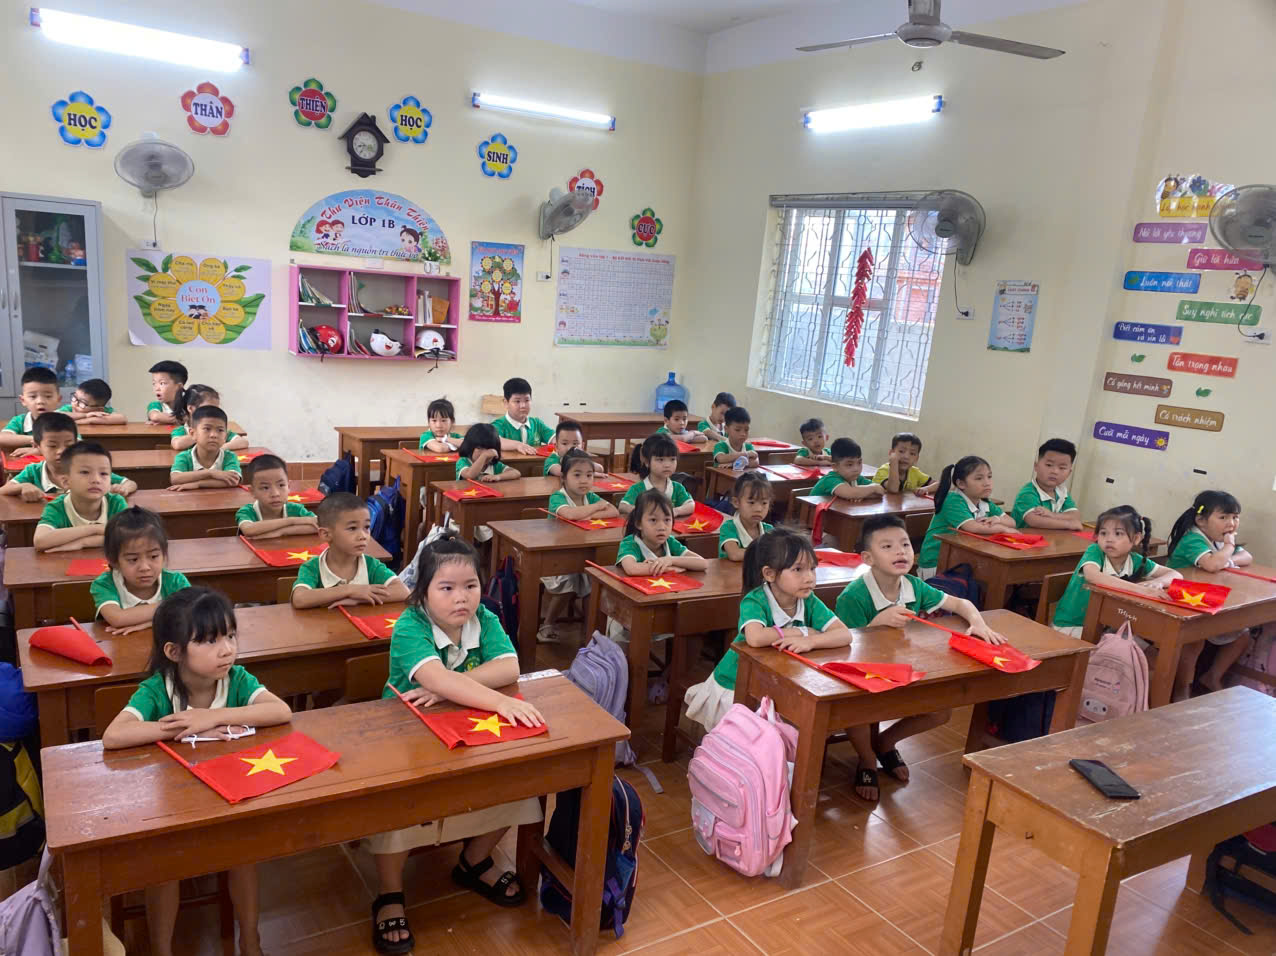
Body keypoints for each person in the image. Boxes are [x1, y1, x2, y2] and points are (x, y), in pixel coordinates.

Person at [368, 534, 543, 953]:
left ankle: (473, 861)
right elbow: (440, 678)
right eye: (446, 587)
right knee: (399, 799)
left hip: (467, 726)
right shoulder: (410, 625)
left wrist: (448, 686)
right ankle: (390, 892)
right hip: (406, 735)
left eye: (470, 586)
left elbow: (510, 666)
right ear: (422, 592)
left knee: (522, 782)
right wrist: (495, 700)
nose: (461, 598)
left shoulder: (484, 617)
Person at [101, 587, 290, 956]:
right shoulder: (159, 689)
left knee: (244, 855)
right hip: (172, 807)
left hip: (228, 796)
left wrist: (212, 717)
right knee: (164, 867)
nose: (227, 649)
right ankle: (161, 949)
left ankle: (251, 942)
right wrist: (180, 728)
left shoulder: (236, 680)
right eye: (208, 641)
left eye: (230, 636)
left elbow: (280, 711)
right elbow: (114, 735)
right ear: (174, 652)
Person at [833, 515, 1003, 800]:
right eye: (887, 546)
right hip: (864, 675)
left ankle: (885, 742)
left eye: (905, 544)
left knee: (941, 711)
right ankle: (866, 759)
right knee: (857, 710)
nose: (900, 552)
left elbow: (961, 603)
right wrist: (876, 623)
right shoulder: (854, 596)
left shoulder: (913, 585)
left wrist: (979, 624)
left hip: (904, 670)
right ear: (868, 558)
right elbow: (844, 646)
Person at [684, 527, 850, 732]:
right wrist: (802, 632)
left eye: (812, 568)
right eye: (798, 569)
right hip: (736, 686)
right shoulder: (756, 600)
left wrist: (811, 641)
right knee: (766, 737)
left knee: (801, 725)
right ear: (769, 574)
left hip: (775, 686)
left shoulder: (809, 601)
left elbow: (844, 634)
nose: (809, 578)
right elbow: (755, 637)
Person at [1166, 490, 1254, 693]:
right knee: (1194, 640)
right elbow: (1212, 565)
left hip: (1205, 599)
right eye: (1223, 517)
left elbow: (1247, 557)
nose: (1231, 523)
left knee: (1243, 635)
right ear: (1201, 520)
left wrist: (1226, 559)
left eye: (1235, 517)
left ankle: (1212, 677)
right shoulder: (1193, 539)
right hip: (1178, 600)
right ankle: (1181, 688)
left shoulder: (1219, 540)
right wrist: (1228, 548)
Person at [539, 450, 618, 640]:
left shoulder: (589, 497)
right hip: (556, 557)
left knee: (596, 579)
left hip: (584, 553)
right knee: (570, 582)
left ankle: (590, 629)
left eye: (589, 475)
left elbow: (614, 511)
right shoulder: (557, 497)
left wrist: (588, 514)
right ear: (563, 478)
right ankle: (547, 623)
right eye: (577, 475)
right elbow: (570, 514)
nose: (584, 481)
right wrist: (596, 508)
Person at [290, 492, 408, 609]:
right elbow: (300, 599)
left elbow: (403, 591)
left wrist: (358, 599)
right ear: (326, 534)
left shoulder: (371, 565)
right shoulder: (313, 567)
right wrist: (350, 590)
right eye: (352, 528)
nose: (363, 536)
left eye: (366, 527)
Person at [91, 507, 191, 634]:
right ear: (114, 561)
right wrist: (173, 605)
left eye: (153, 556)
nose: (145, 567)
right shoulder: (104, 584)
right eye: (133, 559)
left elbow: (191, 613)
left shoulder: (175, 581)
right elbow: (117, 618)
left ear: (164, 553)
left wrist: (152, 623)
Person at [916, 456, 1017, 579]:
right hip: (937, 562)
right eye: (979, 478)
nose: (987, 482)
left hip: (962, 560)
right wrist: (1003, 529)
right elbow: (973, 527)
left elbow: (1012, 522)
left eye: (989, 476)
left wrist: (997, 519)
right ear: (961, 484)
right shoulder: (953, 500)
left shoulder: (985, 502)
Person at [1, 411, 135, 500]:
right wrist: (23, 486)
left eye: (68, 444)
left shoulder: (88, 469)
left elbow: (129, 483)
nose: (61, 451)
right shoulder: (33, 471)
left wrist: (123, 489)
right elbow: (3, 490)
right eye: (52, 446)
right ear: (37, 446)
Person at [33, 441, 128, 552]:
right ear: (66, 481)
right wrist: (96, 529)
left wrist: (83, 542)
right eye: (85, 472)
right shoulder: (57, 507)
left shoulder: (115, 502)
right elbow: (40, 541)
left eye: (103, 473)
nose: (96, 480)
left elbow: (129, 536)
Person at [616, 489, 709, 577]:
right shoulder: (630, 543)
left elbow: (703, 563)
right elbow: (632, 569)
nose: (662, 527)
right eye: (653, 520)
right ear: (638, 523)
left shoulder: (670, 542)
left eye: (667, 520)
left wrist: (670, 560)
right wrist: (669, 569)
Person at [235, 455, 318, 538]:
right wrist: (292, 521)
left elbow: (320, 525)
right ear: (252, 492)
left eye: (281, 485)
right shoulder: (247, 511)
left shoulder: (296, 509)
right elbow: (249, 529)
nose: (275, 494)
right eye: (265, 487)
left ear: (288, 487)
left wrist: (282, 532)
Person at [1010, 438, 1084, 530]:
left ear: (1069, 473)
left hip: (1051, 537)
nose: (1055, 471)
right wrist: (1068, 524)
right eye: (1049, 465)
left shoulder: (1062, 491)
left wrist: (1052, 515)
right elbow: (1034, 520)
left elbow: (1075, 516)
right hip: (1022, 538)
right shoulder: (1028, 493)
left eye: (1062, 468)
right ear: (1036, 466)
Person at [168, 406, 242, 490]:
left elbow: (233, 480)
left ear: (225, 436)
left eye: (220, 430)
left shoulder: (229, 456)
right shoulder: (184, 456)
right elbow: (175, 478)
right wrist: (210, 473)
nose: (213, 435)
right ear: (192, 434)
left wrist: (198, 484)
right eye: (207, 429)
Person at [619, 434, 694, 516]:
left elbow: (690, 505)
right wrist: (643, 512)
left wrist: (676, 511)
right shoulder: (638, 488)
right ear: (647, 462)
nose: (667, 465)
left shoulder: (677, 488)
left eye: (672, 459)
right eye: (660, 460)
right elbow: (623, 506)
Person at [169, 384, 248, 451]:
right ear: (191, 408)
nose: (213, 412)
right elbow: (177, 444)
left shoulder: (218, 430)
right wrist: (201, 434)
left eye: (215, 409)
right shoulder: (182, 430)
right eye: (207, 408)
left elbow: (243, 442)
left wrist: (220, 448)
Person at [0, 367, 59, 453]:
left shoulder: (64, 422)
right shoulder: (20, 421)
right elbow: (2, 438)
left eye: (48, 396)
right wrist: (36, 439)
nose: (40, 401)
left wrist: (39, 451)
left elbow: (75, 444)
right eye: (33, 396)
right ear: (23, 400)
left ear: (58, 399)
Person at [719, 471, 773, 561]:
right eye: (751, 502)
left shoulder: (769, 530)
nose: (758, 509)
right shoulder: (729, 527)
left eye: (764, 503)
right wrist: (766, 553)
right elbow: (734, 554)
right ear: (736, 502)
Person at [490, 377, 554, 453]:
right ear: (506, 403)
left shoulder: (537, 424)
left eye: (527, 400)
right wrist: (517, 445)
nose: (523, 405)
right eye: (517, 401)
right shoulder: (498, 425)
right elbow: (496, 441)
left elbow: (556, 439)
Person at [811, 438, 886, 501]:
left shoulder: (856, 478)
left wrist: (861, 494)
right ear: (835, 467)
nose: (856, 469)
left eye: (859, 462)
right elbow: (851, 493)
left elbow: (880, 491)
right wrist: (872, 488)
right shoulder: (830, 479)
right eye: (849, 465)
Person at [873, 432, 938, 495]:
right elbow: (893, 489)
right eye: (901, 451)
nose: (906, 457)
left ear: (916, 458)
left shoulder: (914, 472)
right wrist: (894, 463)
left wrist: (926, 489)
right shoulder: (883, 470)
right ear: (891, 453)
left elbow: (939, 484)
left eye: (912, 453)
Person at [57, 377, 126, 424]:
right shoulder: (69, 408)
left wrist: (88, 420)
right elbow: (56, 416)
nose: (75, 404)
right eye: (74, 397)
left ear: (99, 409)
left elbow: (122, 418)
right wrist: (86, 415)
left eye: (82, 403)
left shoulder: (102, 412)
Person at [147, 360, 187, 425]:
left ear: (179, 387)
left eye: (162, 383)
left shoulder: (188, 404)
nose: (157, 388)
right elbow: (154, 416)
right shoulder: (156, 405)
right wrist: (183, 419)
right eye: (154, 383)